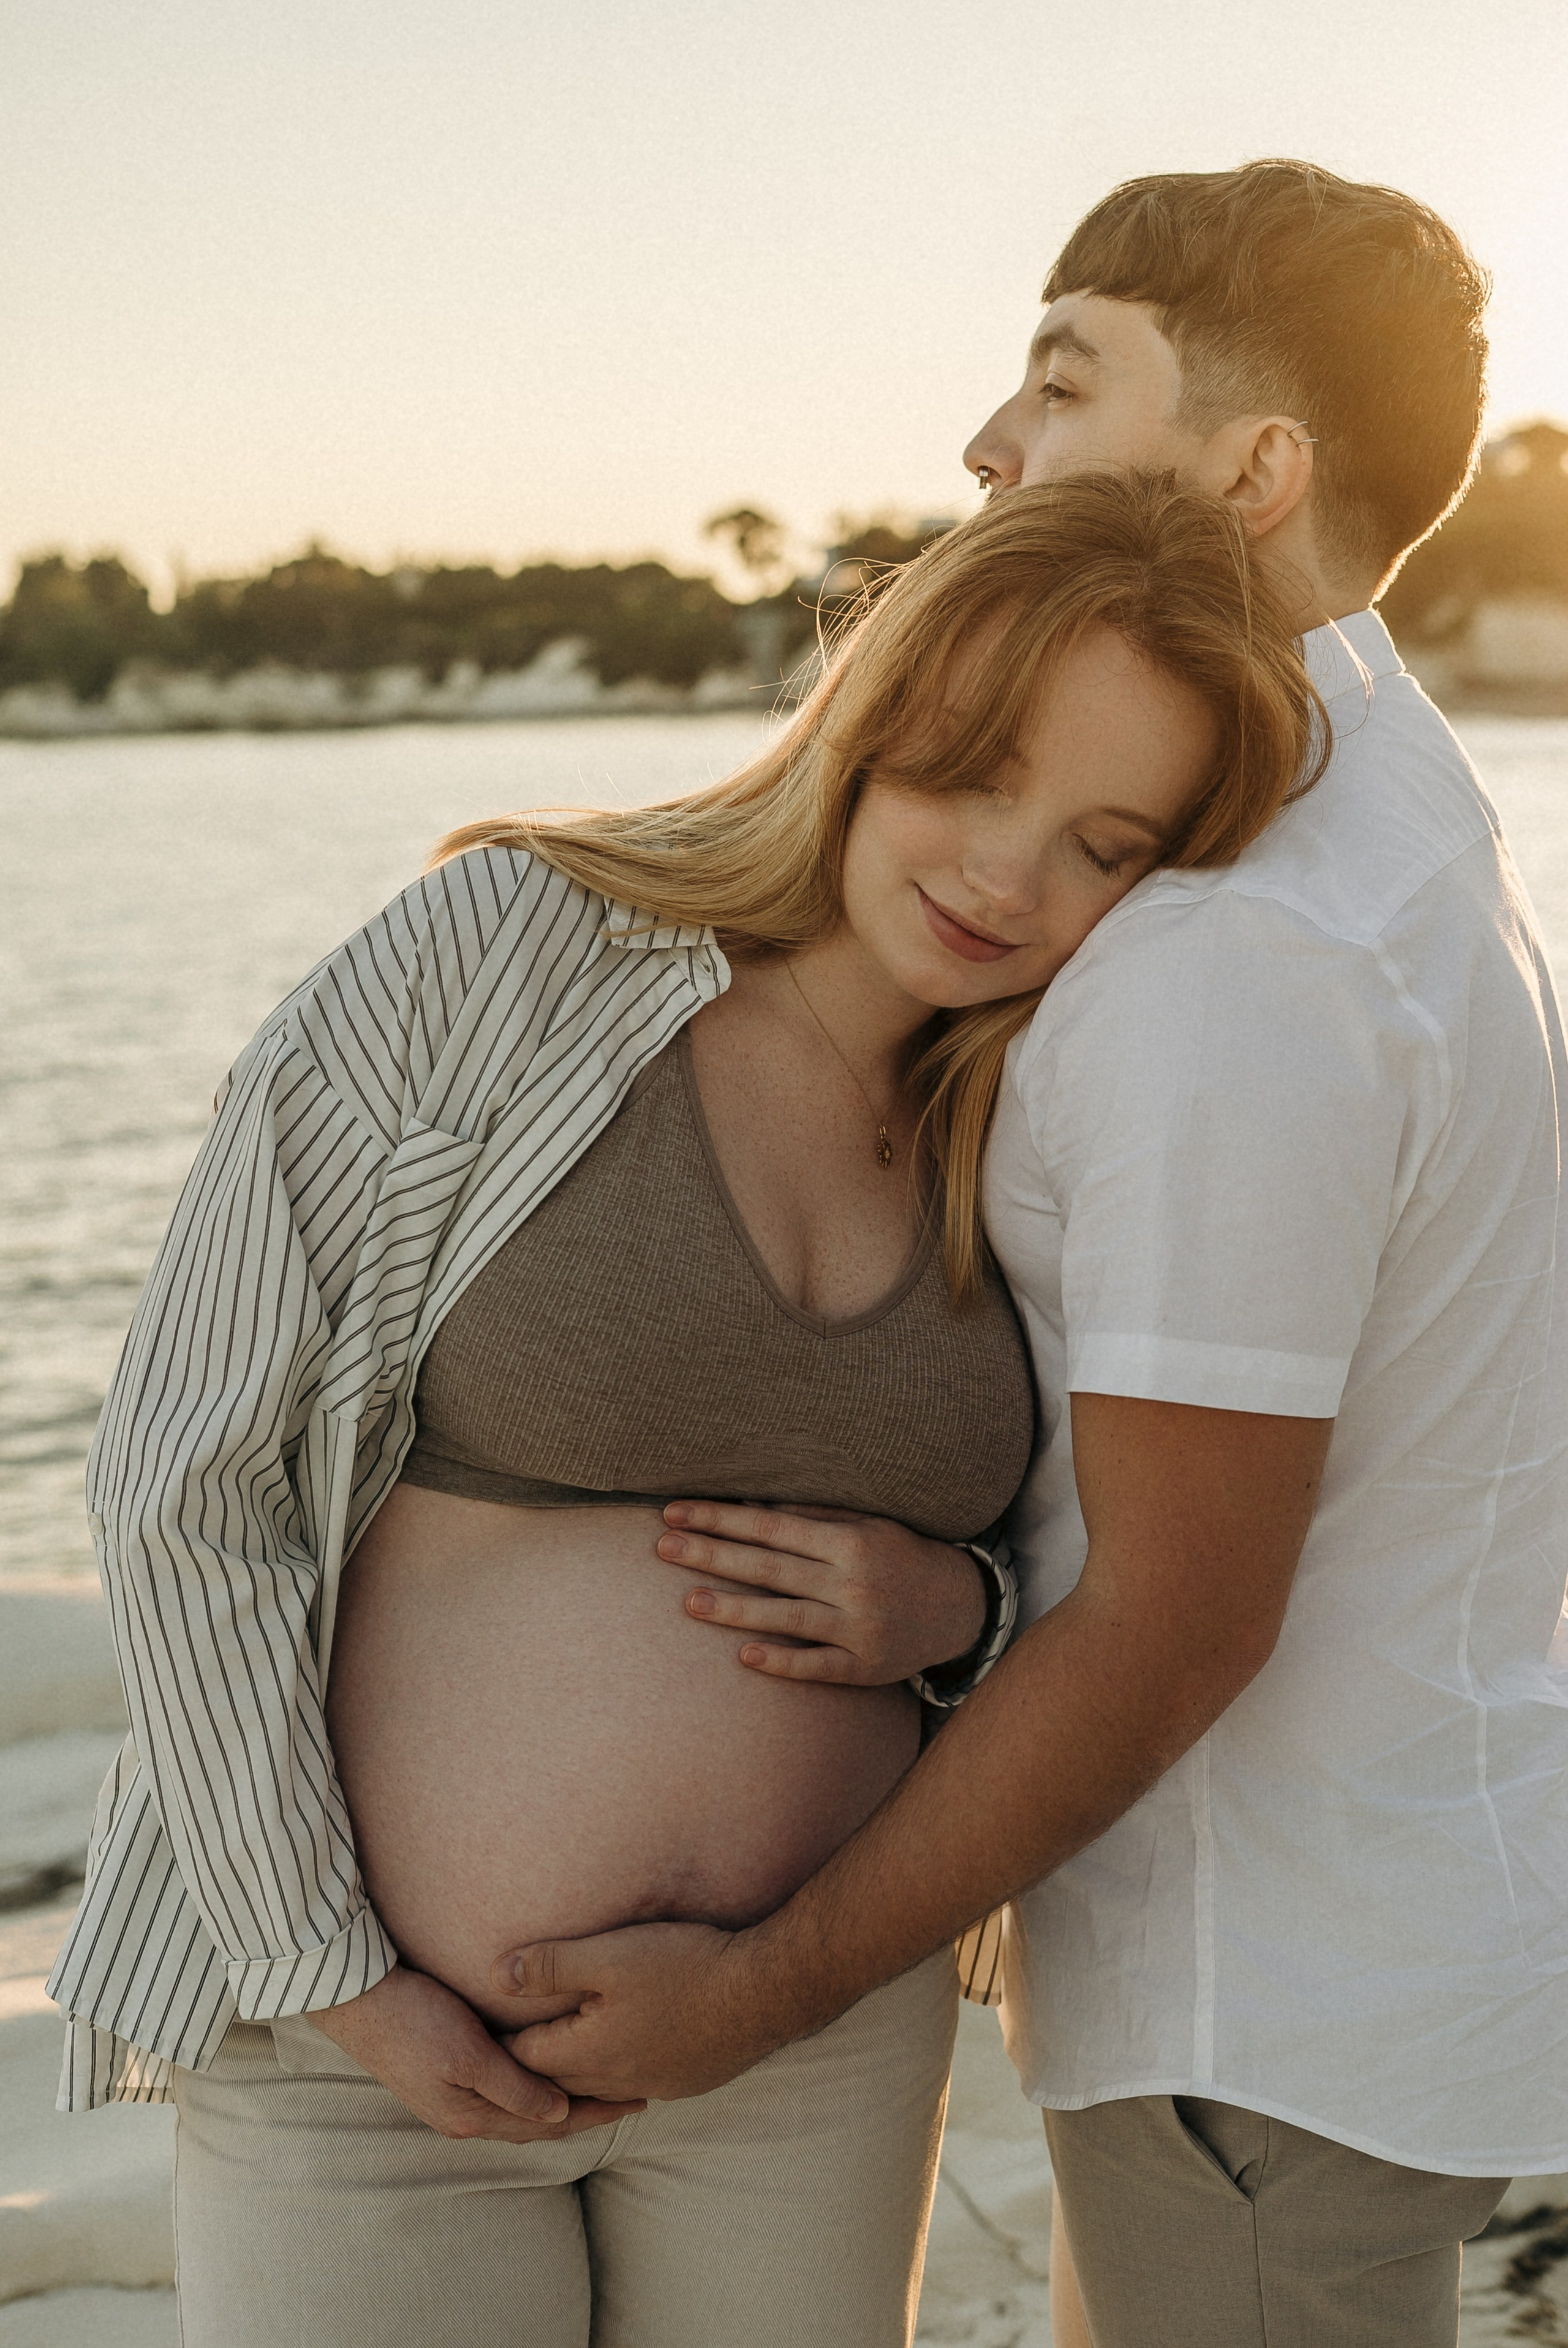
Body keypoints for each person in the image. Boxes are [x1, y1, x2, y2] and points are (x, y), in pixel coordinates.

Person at [47, 472, 1321, 2347]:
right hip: (369, 2048)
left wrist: (953, 1610)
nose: (1005, 877)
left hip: (807, 2057)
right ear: (872, 714)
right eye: (973, 774)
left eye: (1104, 846)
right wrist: (333, 1974)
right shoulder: (502, 954)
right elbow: (184, 1476)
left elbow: (1099, 1565)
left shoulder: (1045, 1116)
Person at [488, 162, 1568, 2348]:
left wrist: (758, 1992)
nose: (992, 441)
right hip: (1319, 1965)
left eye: (1067, 381)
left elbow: (1177, 1617)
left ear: (1258, 470)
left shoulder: (1238, 950)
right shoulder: (1380, 819)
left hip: (1260, 1998)